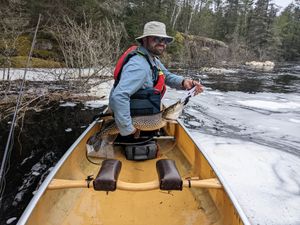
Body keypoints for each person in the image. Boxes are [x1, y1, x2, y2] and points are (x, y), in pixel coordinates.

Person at [109, 21, 203, 136]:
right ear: (145, 40)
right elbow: (119, 96)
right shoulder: (139, 66)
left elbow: (166, 75)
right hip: (131, 122)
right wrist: (128, 129)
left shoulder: (151, 58)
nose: (162, 43)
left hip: (142, 118)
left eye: (165, 40)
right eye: (157, 39)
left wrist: (184, 82)